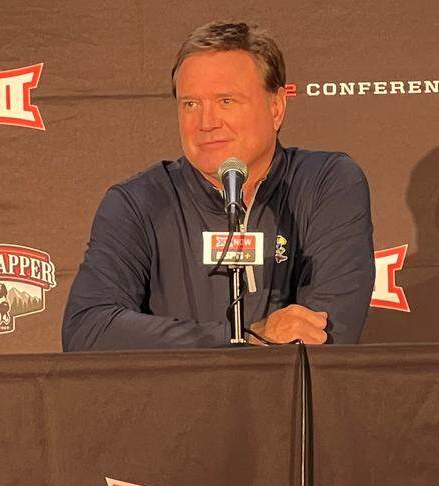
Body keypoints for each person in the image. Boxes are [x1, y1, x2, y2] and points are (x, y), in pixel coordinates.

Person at [62, 21, 375, 351]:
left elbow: (325, 334)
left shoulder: (328, 183)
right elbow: (87, 330)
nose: (206, 122)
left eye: (226, 101)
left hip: (290, 387)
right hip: (180, 387)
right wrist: (245, 337)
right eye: (191, 104)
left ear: (276, 107)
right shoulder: (137, 203)